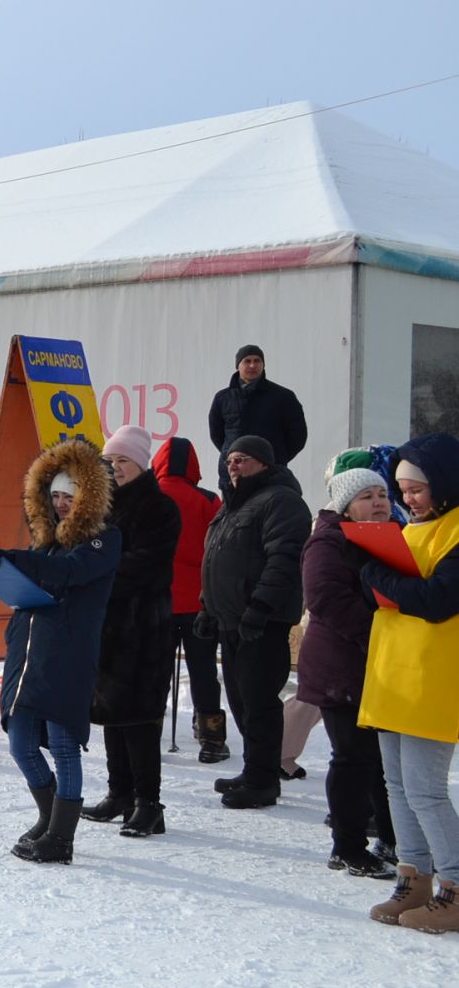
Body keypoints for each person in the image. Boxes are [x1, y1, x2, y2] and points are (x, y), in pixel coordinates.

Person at [0, 439, 123, 865]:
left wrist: (14, 559)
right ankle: (49, 819)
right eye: (56, 496)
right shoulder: (43, 544)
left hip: (67, 656)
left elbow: (69, 573)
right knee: (21, 744)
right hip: (28, 656)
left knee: (63, 746)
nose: (62, 504)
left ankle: (62, 837)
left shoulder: (105, 539)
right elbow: (37, 577)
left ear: (88, 499)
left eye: (70, 497)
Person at [355, 433, 459, 933]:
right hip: (394, 673)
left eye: (415, 489)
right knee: (397, 786)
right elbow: (394, 591)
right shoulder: (409, 531)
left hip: (435, 678)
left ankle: (456, 886)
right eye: (402, 489)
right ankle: (413, 877)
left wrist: (377, 575)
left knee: (424, 790)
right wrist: (379, 577)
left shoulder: (457, 533)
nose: (406, 499)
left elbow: (438, 600)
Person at [198, 434, 311, 809]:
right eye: (230, 460)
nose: (233, 465)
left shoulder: (281, 501)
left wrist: (261, 607)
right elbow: (215, 560)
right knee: (241, 700)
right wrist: (207, 608)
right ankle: (254, 768)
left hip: (261, 622)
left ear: (264, 463)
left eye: (243, 459)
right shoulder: (231, 505)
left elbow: (284, 559)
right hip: (230, 620)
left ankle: (264, 780)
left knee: (260, 703)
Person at [297, 465, 399, 878]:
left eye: (381, 495)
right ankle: (348, 846)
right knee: (354, 758)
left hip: (377, 664)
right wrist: (380, 635)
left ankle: (392, 838)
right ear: (345, 505)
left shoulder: (387, 537)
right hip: (341, 665)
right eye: (366, 497)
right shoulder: (328, 541)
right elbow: (325, 598)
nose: (377, 503)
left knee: (382, 759)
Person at [83, 425, 182, 838]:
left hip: (145, 627)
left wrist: (98, 574)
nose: (115, 467)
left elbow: (147, 564)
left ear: (141, 464)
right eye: (110, 460)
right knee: (113, 713)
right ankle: (119, 792)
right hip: (109, 625)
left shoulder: (159, 508)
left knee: (140, 717)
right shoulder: (104, 506)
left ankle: (148, 803)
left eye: (123, 460)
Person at [153, 437, 228, 763]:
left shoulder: (147, 498)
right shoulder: (210, 500)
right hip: (200, 603)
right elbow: (221, 551)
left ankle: (149, 728)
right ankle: (212, 738)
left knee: (155, 672)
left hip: (157, 602)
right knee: (203, 672)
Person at [208, 344, 308, 493]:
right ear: (238, 366)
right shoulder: (223, 398)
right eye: (247, 361)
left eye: (257, 361)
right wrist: (233, 456)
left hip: (270, 475)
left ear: (263, 365)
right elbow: (217, 435)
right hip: (233, 476)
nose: (253, 365)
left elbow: (297, 436)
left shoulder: (283, 397)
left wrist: (276, 457)